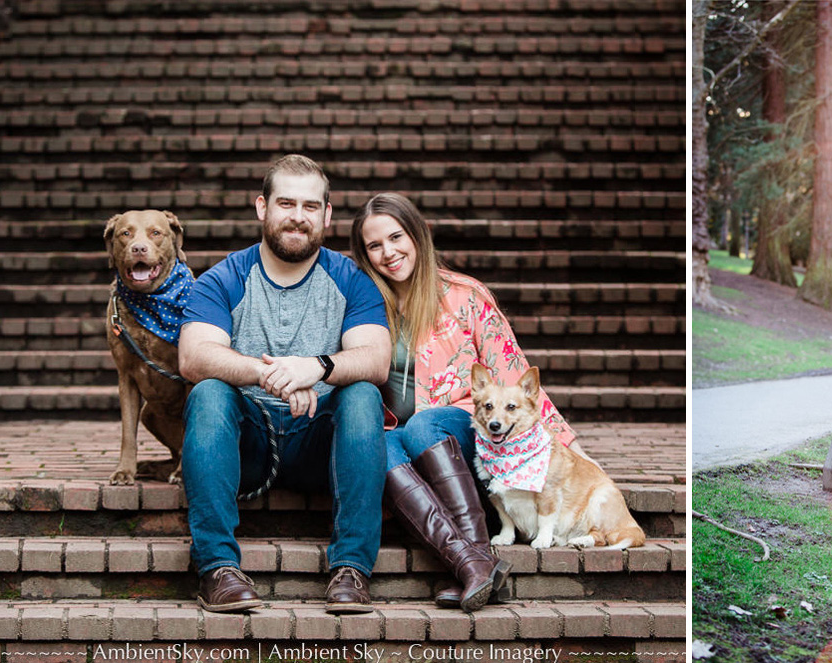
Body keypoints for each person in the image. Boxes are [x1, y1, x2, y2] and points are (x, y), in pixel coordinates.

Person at [178, 155, 392, 614]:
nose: (298, 216)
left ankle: (351, 568)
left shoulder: (351, 280)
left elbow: (375, 358)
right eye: (287, 203)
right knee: (209, 393)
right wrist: (270, 374)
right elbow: (194, 356)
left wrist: (315, 367)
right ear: (262, 208)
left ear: (327, 215)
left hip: (321, 442)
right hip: (248, 444)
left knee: (363, 394)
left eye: (311, 206)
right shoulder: (224, 278)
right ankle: (217, 568)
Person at [350, 192, 579, 611]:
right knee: (378, 443)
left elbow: (515, 379)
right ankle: (476, 565)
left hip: (464, 433)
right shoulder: (363, 304)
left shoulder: (464, 296)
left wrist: (569, 448)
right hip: (399, 440)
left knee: (423, 425)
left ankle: (475, 553)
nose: (389, 253)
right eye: (374, 245)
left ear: (418, 235)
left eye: (396, 237)